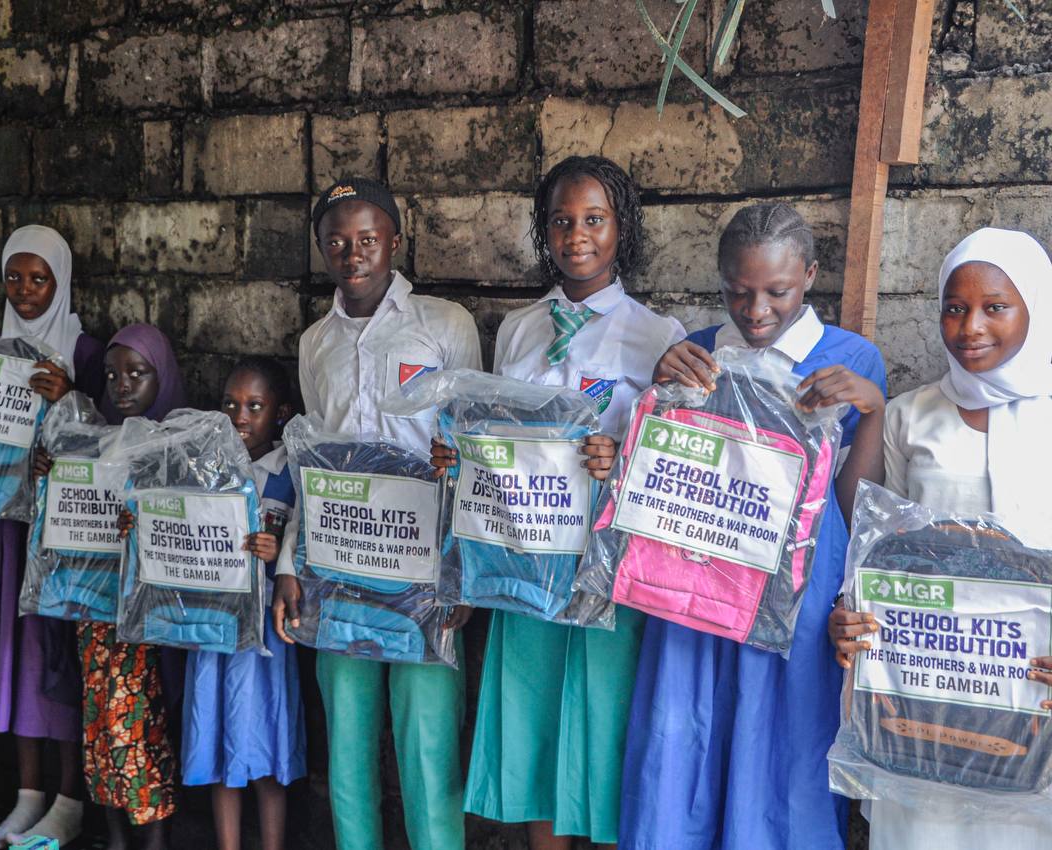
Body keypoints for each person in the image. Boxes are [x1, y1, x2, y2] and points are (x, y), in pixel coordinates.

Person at [619, 202, 887, 850]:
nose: (757, 310)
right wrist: (660, 391)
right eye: (739, 292)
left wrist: (874, 411)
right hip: (695, 588)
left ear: (811, 277)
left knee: (783, 760)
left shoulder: (850, 359)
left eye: (778, 292)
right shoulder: (699, 350)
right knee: (680, 743)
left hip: (796, 599)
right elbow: (654, 480)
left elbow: (853, 506)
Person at [440, 155, 685, 849]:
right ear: (544, 231)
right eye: (562, 221)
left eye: (594, 219)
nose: (577, 235)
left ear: (621, 228)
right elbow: (495, 435)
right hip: (523, 558)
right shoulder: (519, 329)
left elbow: (672, 461)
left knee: (604, 725)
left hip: (607, 567)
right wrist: (461, 455)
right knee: (533, 725)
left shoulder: (658, 335)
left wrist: (621, 458)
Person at [271, 176, 482, 850]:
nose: (352, 252)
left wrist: (464, 571)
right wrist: (288, 563)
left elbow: (474, 451)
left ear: (395, 240)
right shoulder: (315, 343)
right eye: (336, 241)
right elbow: (311, 465)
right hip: (338, 566)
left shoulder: (444, 325)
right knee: (347, 744)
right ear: (322, 248)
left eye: (367, 237)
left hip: (424, 568)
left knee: (428, 742)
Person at [829, 227, 1052, 850]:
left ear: (1037, 307)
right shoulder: (909, 415)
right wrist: (850, 615)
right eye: (954, 308)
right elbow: (878, 550)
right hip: (926, 695)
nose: (971, 327)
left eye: (995, 307)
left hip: (1033, 693)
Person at [0, 225, 105, 849]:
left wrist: (70, 396)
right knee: (12, 654)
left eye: (39, 279)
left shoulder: (83, 351)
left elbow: (113, 434)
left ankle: (69, 800)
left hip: (55, 533)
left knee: (51, 658)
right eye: (14, 277)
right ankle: (27, 795)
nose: (26, 290)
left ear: (62, 281)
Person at [181, 356, 306, 850]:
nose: (240, 417)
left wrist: (279, 556)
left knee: (265, 747)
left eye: (255, 406)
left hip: (266, 637)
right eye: (230, 404)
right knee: (217, 746)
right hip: (213, 628)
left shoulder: (290, 474)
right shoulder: (204, 467)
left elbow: (307, 547)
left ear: (281, 413)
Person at [72, 323, 187, 850]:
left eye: (137, 374)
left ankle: (152, 837)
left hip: (151, 618)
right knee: (99, 724)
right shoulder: (93, 440)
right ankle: (116, 834)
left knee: (141, 728)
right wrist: (54, 474)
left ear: (161, 377)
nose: (122, 385)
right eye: (113, 374)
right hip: (96, 607)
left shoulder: (184, 445)